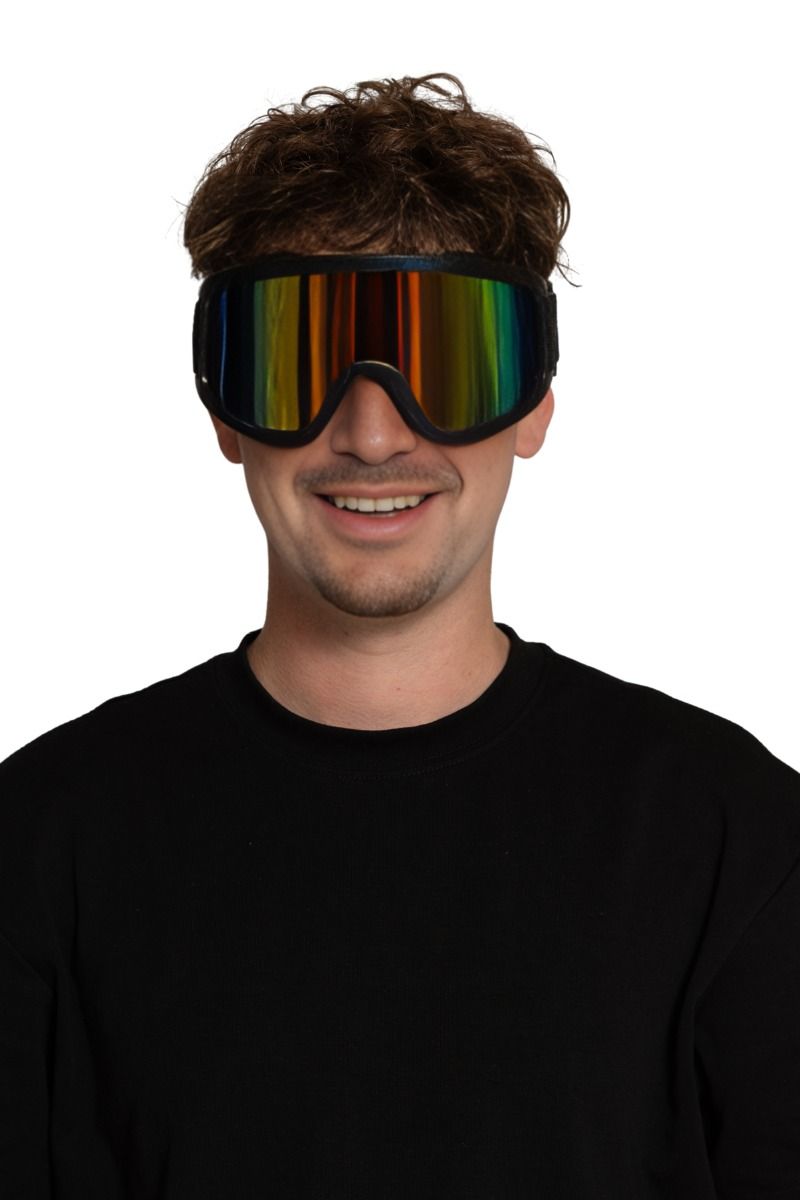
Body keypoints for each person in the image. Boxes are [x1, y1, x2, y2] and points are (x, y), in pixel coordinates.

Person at [1, 72, 798, 1200]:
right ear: (224, 408)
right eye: (297, 361)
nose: (372, 434)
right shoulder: (41, 842)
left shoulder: (733, 836)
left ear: (534, 401)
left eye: (447, 363)